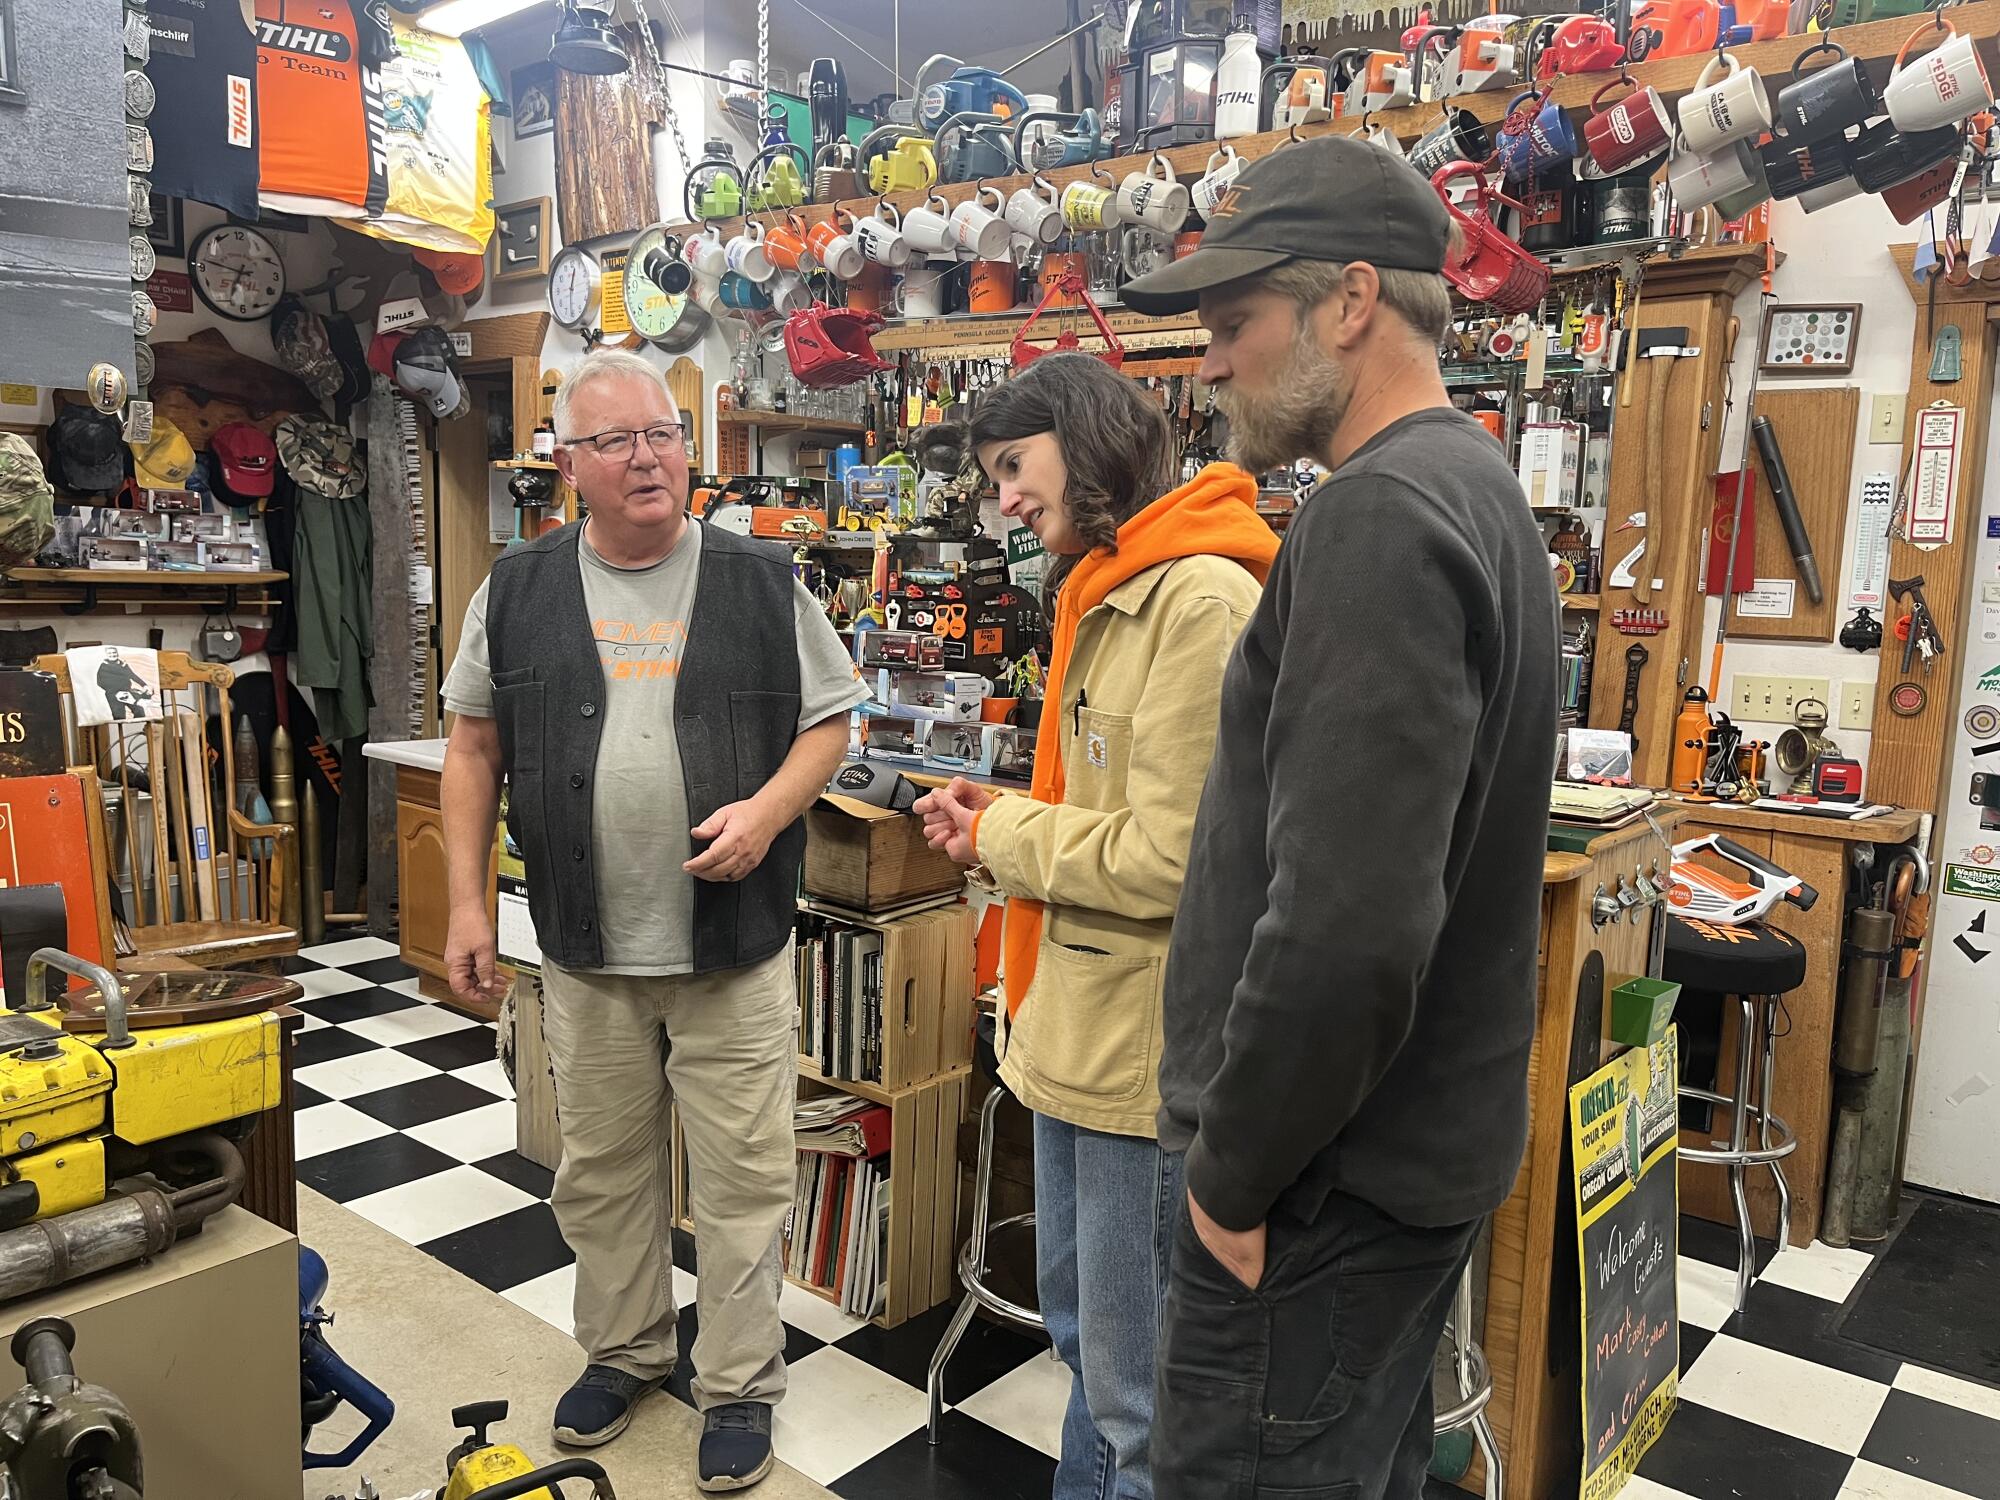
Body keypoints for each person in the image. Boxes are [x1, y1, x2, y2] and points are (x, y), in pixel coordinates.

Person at [1116, 135, 1560, 1498]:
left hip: (1316, 1195)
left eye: (1234, 322)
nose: (1211, 363)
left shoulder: (1378, 515)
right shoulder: (1478, 489)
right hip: (1389, 1174)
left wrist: (1234, 1177)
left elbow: (1351, 927)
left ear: (1351, 302)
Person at [439, 349, 866, 1490]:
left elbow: (831, 725)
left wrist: (771, 814)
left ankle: (736, 1385)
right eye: (618, 440)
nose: (648, 457)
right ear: (567, 463)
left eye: (664, 434)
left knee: (740, 1183)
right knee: (600, 1173)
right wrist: (467, 903)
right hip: (584, 947)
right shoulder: (516, 591)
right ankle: (624, 1351)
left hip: (731, 952)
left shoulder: (760, 582)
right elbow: (472, 749)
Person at [915, 353, 1277, 1500]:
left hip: (1138, 1046)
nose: (1004, 500)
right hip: (1076, 1031)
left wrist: (1000, 840)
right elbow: (1109, 812)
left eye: (1014, 467)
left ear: (1083, 442)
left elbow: (1173, 858)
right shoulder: (1112, 584)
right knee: (1085, 1348)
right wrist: (1011, 815)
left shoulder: (1197, 598)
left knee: (1134, 1391)